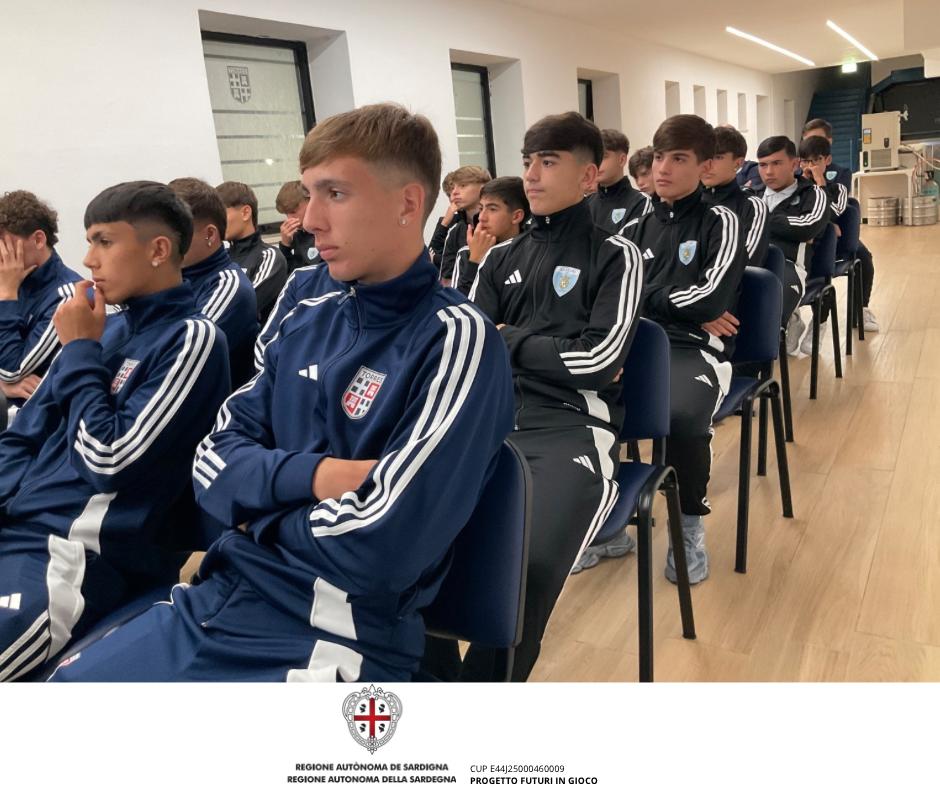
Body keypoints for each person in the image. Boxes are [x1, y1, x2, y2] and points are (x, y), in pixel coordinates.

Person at [50, 103, 514, 683]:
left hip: (332, 633)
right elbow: (210, 467)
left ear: (407, 203)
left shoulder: (455, 337)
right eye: (310, 194)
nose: (311, 219)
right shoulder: (305, 320)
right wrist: (318, 478)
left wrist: (257, 519)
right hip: (217, 597)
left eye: (335, 194)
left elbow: (384, 547)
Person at [0, 181, 230, 681]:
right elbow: (24, 434)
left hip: (73, 554)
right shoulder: (107, 327)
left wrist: (80, 351)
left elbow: (109, 459)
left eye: (104, 242)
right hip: (18, 528)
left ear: (158, 250)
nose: (88, 259)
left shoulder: (192, 338)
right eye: (89, 242)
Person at [453, 111, 644, 680]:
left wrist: (509, 338)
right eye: (527, 161)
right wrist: (535, 346)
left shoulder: (616, 255)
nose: (531, 175)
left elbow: (599, 362)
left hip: (571, 426)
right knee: (408, 546)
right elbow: (472, 344)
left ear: (587, 177)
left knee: (525, 568)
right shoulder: (501, 257)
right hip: (488, 419)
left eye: (548, 162)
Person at [609, 114, 748, 583]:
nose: (663, 168)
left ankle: (687, 527)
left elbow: (711, 300)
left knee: (683, 417)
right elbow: (611, 297)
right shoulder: (633, 227)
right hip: (632, 344)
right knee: (581, 403)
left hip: (694, 348)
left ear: (705, 166)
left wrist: (650, 297)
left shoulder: (721, 221)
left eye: (679, 159)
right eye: (659, 156)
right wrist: (674, 300)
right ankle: (607, 522)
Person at [169, 177, 258, 385]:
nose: (162, 242)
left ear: (210, 234)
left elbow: (174, 362)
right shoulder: (173, 278)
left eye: (175, 232)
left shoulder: (228, 286)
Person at [0, 191, 82, 406]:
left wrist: (7, 295)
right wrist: (3, 387)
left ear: (38, 239)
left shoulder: (67, 297)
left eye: (3, 246)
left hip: (37, 416)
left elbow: (11, 370)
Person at [802, 118, 878, 332]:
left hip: (839, 233)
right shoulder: (798, 176)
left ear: (829, 142)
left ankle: (860, 309)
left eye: (818, 140)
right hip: (809, 234)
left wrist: (828, 223)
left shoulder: (840, 173)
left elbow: (839, 207)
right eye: (808, 140)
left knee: (863, 257)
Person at [757, 136, 830, 355]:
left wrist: (759, 220)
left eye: (776, 163)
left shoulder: (813, 194)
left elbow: (809, 228)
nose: (769, 172)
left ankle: (786, 324)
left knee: (763, 322)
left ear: (794, 164)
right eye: (763, 165)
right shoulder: (751, 196)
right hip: (749, 263)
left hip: (789, 266)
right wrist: (787, 227)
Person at [216, 181, 288, 323]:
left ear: (245, 213)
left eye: (221, 215)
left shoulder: (269, 257)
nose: (217, 223)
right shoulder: (222, 257)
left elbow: (243, 307)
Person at [701, 125, 768, 266]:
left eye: (717, 157)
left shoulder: (753, 206)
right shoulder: (688, 202)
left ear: (738, 163)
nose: (707, 165)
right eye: (704, 156)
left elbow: (748, 262)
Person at [453, 176, 529, 295]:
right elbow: (458, 304)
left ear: (516, 216)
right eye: (481, 208)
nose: (481, 217)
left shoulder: (533, 251)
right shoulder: (466, 253)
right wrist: (475, 261)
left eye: (492, 209)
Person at [586, 129, 652, 235]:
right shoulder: (586, 203)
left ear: (621, 160)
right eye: (594, 157)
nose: (596, 163)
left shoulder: (641, 202)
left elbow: (630, 243)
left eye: (603, 156)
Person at [437, 165, 491, 286]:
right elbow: (447, 282)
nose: (454, 192)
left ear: (482, 188)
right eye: (454, 187)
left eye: (463, 185)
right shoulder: (455, 232)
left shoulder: (500, 225)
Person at [275, 180, 320, 272]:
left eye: (293, 212)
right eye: (286, 214)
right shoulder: (298, 235)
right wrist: (285, 245)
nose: (289, 219)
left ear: (310, 202)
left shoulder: (326, 233)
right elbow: (290, 274)